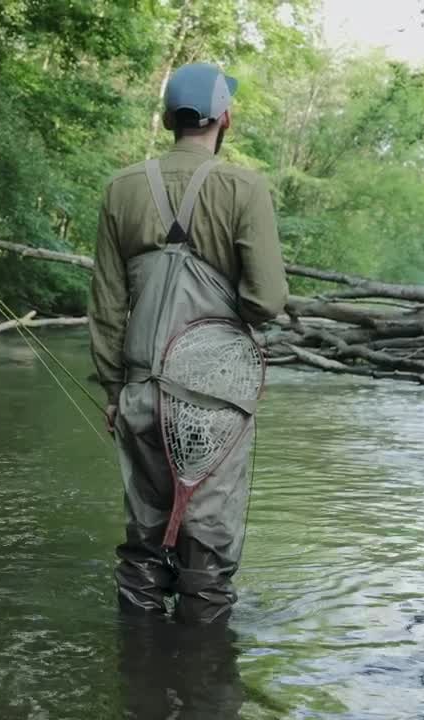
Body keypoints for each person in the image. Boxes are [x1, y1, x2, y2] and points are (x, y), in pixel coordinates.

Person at [89, 62, 288, 623]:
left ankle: (139, 672)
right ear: (224, 117)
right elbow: (266, 300)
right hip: (214, 403)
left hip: (139, 391)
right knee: (207, 547)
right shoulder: (244, 187)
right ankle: (201, 679)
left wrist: (112, 390)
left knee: (144, 540)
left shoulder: (121, 189)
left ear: (168, 118)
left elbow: (106, 305)